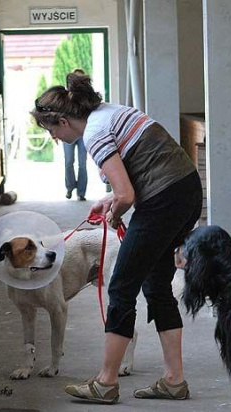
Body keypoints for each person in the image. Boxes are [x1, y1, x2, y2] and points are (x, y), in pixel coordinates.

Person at [31, 72, 202, 404]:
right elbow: (131, 181)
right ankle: (174, 380)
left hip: (163, 199)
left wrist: (117, 209)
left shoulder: (94, 133)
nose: (53, 137)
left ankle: (106, 383)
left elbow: (126, 193)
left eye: (51, 130)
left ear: (64, 121)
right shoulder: (108, 113)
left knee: (121, 286)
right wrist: (112, 201)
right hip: (186, 191)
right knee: (155, 284)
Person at [63, 69, 88, 201]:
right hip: (68, 132)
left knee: (82, 163)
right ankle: (70, 187)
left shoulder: (87, 98)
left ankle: (82, 192)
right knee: (68, 162)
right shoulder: (66, 97)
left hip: (83, 134)